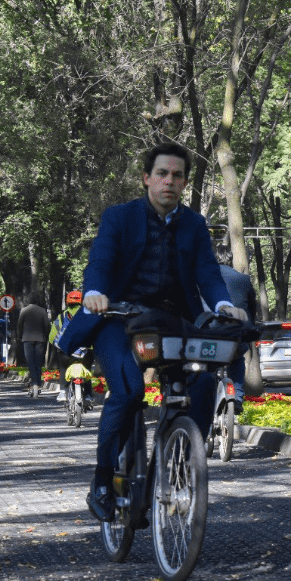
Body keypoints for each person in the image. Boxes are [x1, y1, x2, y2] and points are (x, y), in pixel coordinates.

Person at [81, 141, 249, 522]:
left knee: (203, 381)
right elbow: (101, 261)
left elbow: (207, 272)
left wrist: (222, 305)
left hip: (173, 321)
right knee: (129, 392)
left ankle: (180, 464)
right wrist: (95, 293)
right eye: (161, 174)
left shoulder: (194, 225)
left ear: (185, 182)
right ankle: (103, 480)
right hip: (117, 319)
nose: (169, 181)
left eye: (177, 175)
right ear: (146, 178)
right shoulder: (119, 217)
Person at [212, 243, 257, 391]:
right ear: (230, 259)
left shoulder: (205, 278)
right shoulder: (243, 279)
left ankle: (208, 391)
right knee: (237, 360)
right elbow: (252, 307)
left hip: (210, 333)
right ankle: (236, 397)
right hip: (236, 333)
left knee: (206, 364)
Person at [50, 290, 89, 403]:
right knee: (86, 369)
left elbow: (52, 335)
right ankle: (88, 395)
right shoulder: (88, 316)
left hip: (65, 349)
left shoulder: (62, 316)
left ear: (67, 302)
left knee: (63, 367)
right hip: (84, 350)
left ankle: (63, 391)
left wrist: (56, 345)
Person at [16, 293, 51, 395]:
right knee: (38, 362)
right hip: (40, 339)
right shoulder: (42, 311)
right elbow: (47, 325)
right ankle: (38, 383)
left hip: (27, 339)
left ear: (29, 300)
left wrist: (19, 336)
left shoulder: (24, 310)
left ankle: (34, 382)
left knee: (30, 361)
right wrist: (46, 336)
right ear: (37, 301)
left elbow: (19, 325)